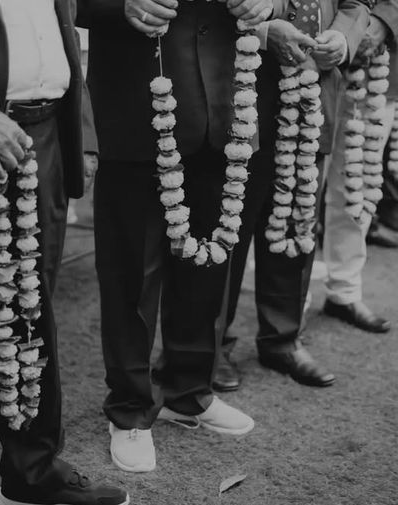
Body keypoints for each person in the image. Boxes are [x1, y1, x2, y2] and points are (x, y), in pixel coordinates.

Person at [77, 0, 276, 473]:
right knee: (131, 272)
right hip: (136, 102)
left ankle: (188, 391)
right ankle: (129, 408)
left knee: (208, 264)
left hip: (227, 99)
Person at [0, 0, 128, 505]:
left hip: (44, 133)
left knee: (30, 305)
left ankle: (31, 474)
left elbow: (61, 30)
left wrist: (81, 134)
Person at [214, 0, 372, 392]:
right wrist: (264, 33)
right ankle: (209, 344)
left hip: (314, 89)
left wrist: (344, 37)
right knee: (228, 221)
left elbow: (357, 3)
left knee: (296, 213)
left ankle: (282, 338)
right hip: (241, 82)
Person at [323, 0, 398, 332]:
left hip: (377, 61)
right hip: (311, 52)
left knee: (357, 184)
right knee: (298, 184)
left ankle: (344, 289)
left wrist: (382, 22)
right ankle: (286, 304)